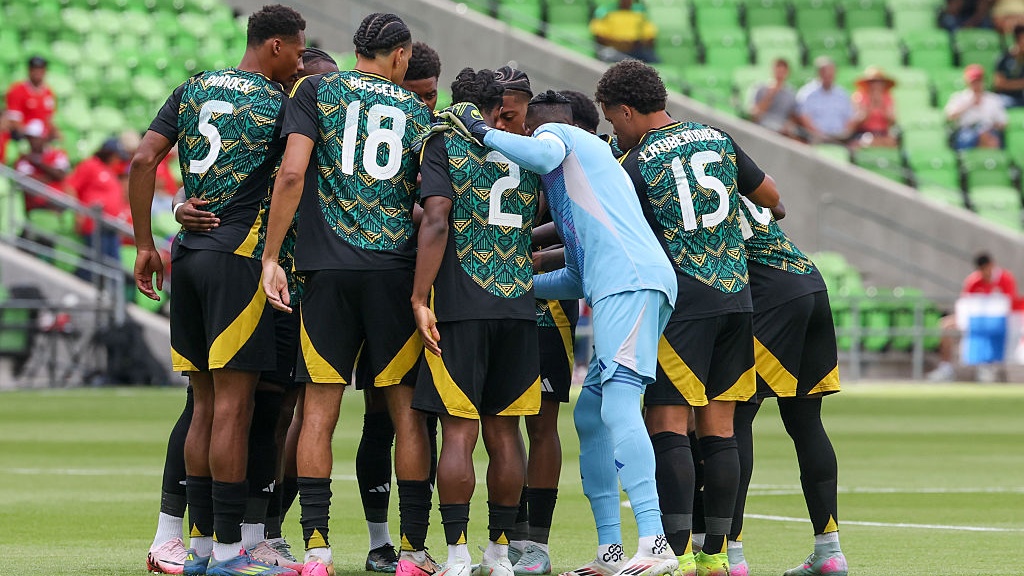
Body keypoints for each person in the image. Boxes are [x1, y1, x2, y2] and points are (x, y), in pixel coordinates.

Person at [440, 91, 679, 576]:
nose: (519, 134)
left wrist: (483, 131)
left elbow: (544, 151)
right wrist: (511, 287)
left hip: (629, 285)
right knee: (591, 415)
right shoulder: (573, 188)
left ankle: (655, 543)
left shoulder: (559, 137)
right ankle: (611, 551)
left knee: (616, 406)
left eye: (519, 125)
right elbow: (576, 275)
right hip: (620, 285)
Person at [129, 5, 307, 576]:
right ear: (275, 46)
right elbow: (290, 175)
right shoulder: (278, 103)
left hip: (189, 255)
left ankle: (202, 549)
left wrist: (145, 244)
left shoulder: (195, 87)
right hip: (239, 259)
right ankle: (230, 551)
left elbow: (141, 160)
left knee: (204, 404)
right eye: (298, 52)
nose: (300, 62)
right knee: (234, 407)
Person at [260, 13, 434, 576]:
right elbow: (424, 204)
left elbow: (291, 175)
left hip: (326, 272)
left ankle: (316, 550)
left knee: (318, 411)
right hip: (392, 271)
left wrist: (270, 256)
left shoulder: (315, 89)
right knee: (406, 414)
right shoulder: (416, 111)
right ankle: (411, 551)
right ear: (401, 55)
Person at [595, 59, 779, 576]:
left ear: (627, 111)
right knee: (720, 429)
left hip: (681, 305)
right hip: (735, 299)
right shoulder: (716, 138)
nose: (616, 132)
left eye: (614, 121)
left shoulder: (634, 163)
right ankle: (716, 554)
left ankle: (670, 554)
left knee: (668, 424)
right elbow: (773, 201)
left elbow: (616, 234)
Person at [411, 68, 541, 576]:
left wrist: (420, 297)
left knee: (459, 434)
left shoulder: (444, 142)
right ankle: (502, 554)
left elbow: (438, 217)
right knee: (506, 435)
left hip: (462, 306)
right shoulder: (525, 148)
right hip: (517, 306)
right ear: (497, 107)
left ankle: (458, 555)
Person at [717, 198, 846, 576]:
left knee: (733, 417)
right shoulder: (733, 175)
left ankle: (731, 554)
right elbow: (780, 207)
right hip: (809, 282)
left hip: (768, 295)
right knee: (806, 424)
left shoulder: (672, 175)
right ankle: (830, 552)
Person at [356, 40, 444, 573]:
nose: (425, 107)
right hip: (385, 284)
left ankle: (418, 541)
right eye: (419, 95)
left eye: (433, 96)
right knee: (380, 417)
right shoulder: (378, 127)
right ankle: (380, 539)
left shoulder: (437, 137)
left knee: (422, 419)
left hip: (427, 293)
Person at [928, 252, 1020, 381]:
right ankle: (946, 367)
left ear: (992, 265)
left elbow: (1009, 304)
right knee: (946, 325)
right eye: (981, 270)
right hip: (976, 321)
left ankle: (991, 364)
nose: (985, 273)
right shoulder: (974, 281)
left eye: (986, 269)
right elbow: (964, 304)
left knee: (996, 328)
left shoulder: (1006, 279)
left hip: (1000, 322)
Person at [69, 137, 131, 279]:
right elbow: (71, 187)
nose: (118, 160)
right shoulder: (90, 165)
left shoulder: (109, 170)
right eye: (116, 156)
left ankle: (111, 296)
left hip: (110, 225)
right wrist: (79, 213)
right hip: (95, 223)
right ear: (108, 153)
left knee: (112, 264)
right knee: (95, 264)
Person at [945, 64, 1007, 150]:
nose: (976, 84)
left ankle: (988, 160)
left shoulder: (994, 99)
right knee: (967, 138)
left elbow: (1003, 123)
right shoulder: (959, 97)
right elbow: (950, 116)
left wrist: (988, 127)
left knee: (991, 138)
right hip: (966, 131)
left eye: (979, 81)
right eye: (974, 82)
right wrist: (969, 104)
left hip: (988, 130)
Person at [14, 119, 71, 212]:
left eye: (35, 137)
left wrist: (37, 162)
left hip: (59, 203)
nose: (31, 141)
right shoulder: (23, 159)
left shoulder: (58, 154)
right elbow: (28, 181)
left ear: (44, 137)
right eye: (29, 138)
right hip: (37, 207)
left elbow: (61, 175)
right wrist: (51, 176)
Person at [796, 57, 854, 144]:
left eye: (831, 73)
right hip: (815, 138)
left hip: (839, 139)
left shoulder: (842, 94)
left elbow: (849, 118)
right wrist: (820, 135)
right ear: (819, 73)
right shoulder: (806, 94)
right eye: (825, 72)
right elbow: (803, 117)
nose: (828, 76)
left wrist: (844, 134)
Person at [4, 55, 57, 143]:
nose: (37, 72)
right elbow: (13, 120)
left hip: (42, 139)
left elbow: (49, 119)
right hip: (24, 137)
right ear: (29, 70)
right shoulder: (17, 90)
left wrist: (54, 133)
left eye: (40, 69)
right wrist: (29, 137)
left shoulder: (48, 93)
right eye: (34, 69)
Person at [747, 59, 805, 139]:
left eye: (783, 72)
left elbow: (793, 115)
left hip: (782, 128)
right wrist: (770, 95)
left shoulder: (791, 93)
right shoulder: (760, 88)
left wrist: (789, 125)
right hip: (764, 127)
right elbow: (755, 114)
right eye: (778, 71)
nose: (780, 75)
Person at [589, 0, 658, 63]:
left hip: (635, 49)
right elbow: (599, 36)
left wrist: (634, 43)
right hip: (614, 49)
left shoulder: (639, 13)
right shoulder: (606, 12)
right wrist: (618, 43)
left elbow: (650, 37)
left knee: (652, 59)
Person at [849, 66, 898, 148]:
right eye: (873, 82)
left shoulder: (888, 98)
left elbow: (892, 121)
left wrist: (882, 106)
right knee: (867, 141)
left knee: (891, 142)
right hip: (864, 133)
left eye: (879, 82)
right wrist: (871, 106)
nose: (877, 85)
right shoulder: (859, 97)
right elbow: (857, 122)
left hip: (882, 133)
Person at [994, 25, 1024, 108]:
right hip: (1006, 97)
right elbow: (999, 84)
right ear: (1017, 40)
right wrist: (1021, 84)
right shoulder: (1004, 58)